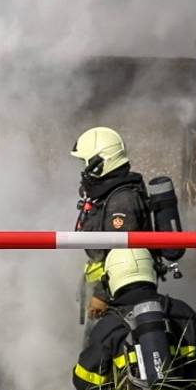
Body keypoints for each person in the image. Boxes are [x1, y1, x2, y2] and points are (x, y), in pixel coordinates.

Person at [71, 248, 196, 390]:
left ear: (110, 279)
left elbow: (85, 381)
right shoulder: (184, 312)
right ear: (152, 271)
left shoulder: (109, 324)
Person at [71, 127, 154, 320]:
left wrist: (101, 296)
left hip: (118, 300)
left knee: (108, 346)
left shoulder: (121, 202)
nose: (83, 171)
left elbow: (124, 254)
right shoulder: (108, 195)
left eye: (85, 163)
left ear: (100, 163)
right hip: (110, 294)